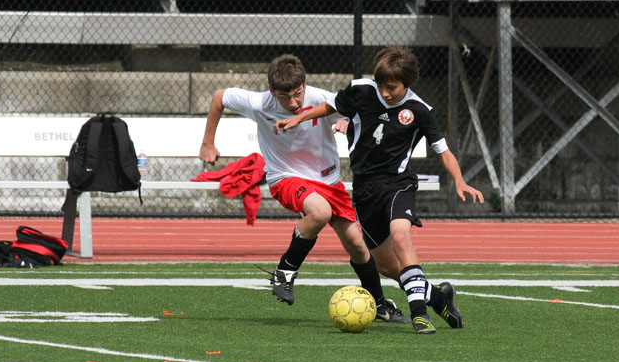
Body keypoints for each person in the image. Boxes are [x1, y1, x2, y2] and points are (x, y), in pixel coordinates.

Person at [274, 46, 484, 334]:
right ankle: (438, 297)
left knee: (401, 236)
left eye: (392, 87)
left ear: (406, 83)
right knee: (386, 266)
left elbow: (443, 151)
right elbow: (330, 106)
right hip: (365, 190)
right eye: (382, 86)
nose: (386, 92)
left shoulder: (420, 110)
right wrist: (298, 118)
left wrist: (459, 180)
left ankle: (419, 315)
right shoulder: (361, 90)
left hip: (398, 185)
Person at [199, 54, 409, 324]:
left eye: (298, 94)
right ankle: (285, 271)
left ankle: (380, 304)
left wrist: (346, 120)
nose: (294, 103)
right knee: (319, 212)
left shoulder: (318, 97)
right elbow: (219, 97)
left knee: (358, 245)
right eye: (285, 97)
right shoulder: (259, 102)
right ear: (272, 90)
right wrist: (208, 143)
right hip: (285, 177)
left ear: (305, 85)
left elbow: (353, 109)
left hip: (328, 181)